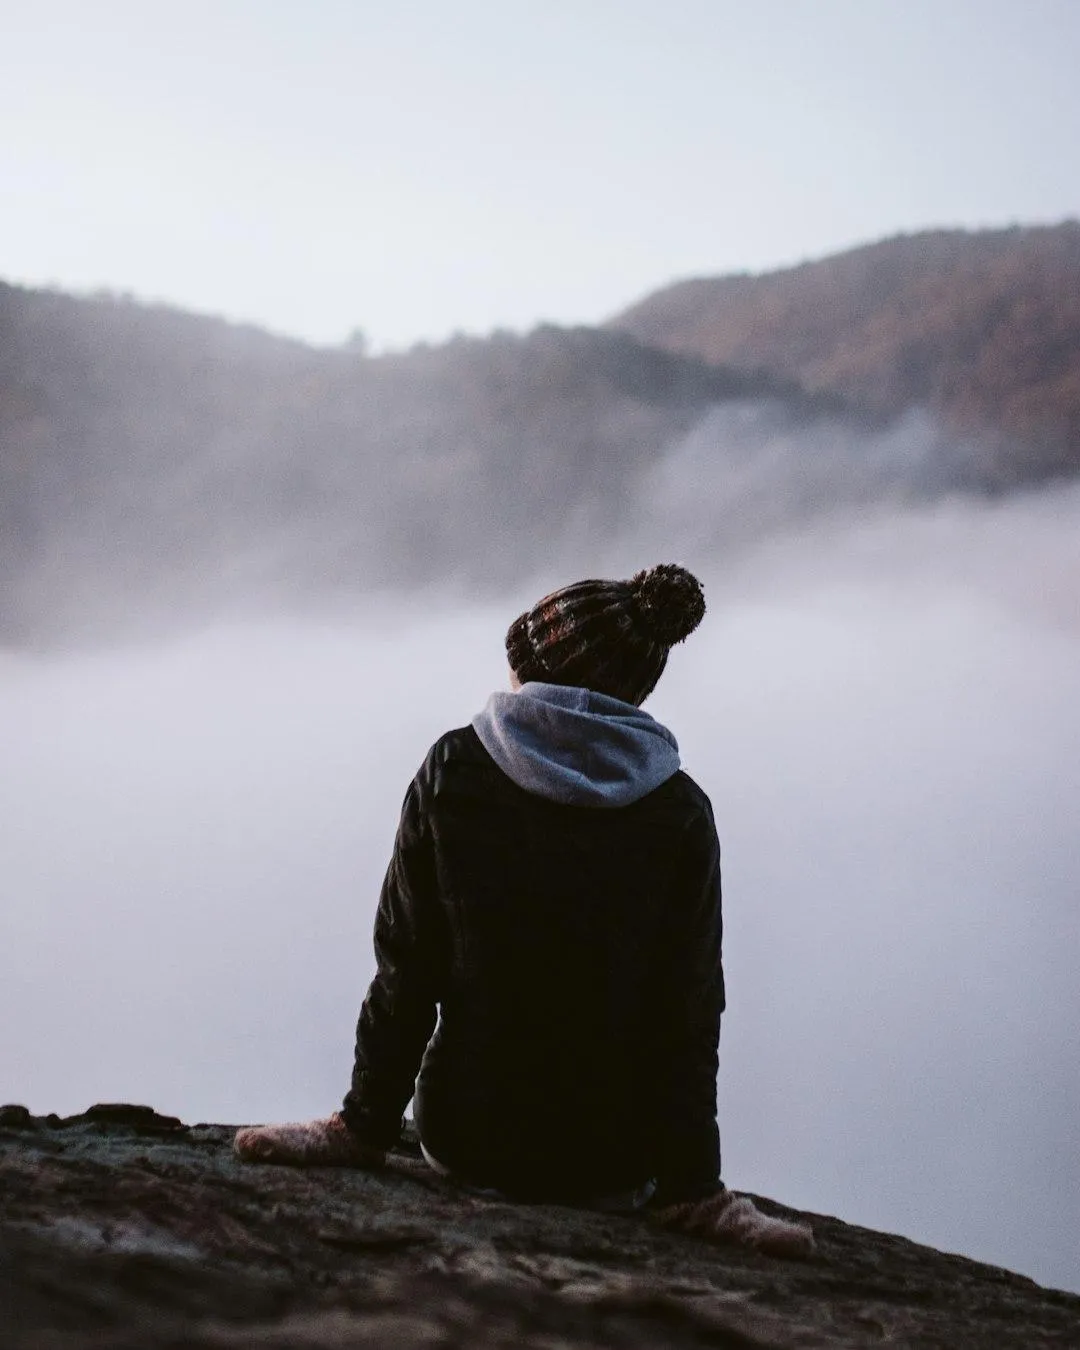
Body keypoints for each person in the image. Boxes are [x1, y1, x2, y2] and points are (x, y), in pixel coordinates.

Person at [235, 564, 812, 1256]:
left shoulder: (454, 768)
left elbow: (408, 969)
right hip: (614, 1162)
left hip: (468, 1137)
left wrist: (362, 1127)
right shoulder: (680, 810)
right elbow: (686, 1013)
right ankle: (686, 1198)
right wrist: (692, 1186)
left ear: (536, 671)